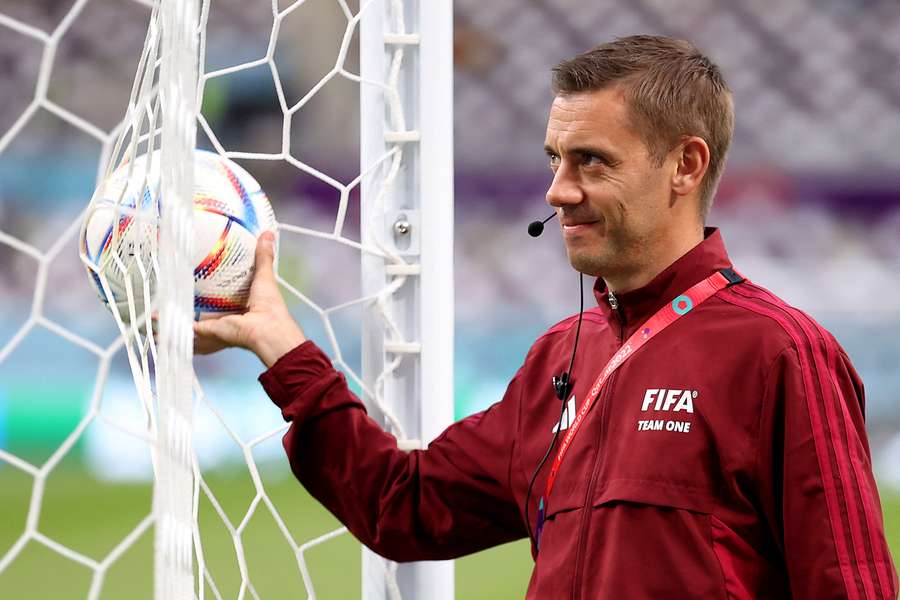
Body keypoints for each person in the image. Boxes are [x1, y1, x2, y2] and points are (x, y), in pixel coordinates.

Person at [193, 35, 898, 598]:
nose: (558, 191)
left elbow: (850, 585)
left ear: (685, 166)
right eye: (555, 159)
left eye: (591, 162)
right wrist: (282, 347)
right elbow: (401, 507)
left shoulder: (779, 351)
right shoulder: (559, 358)